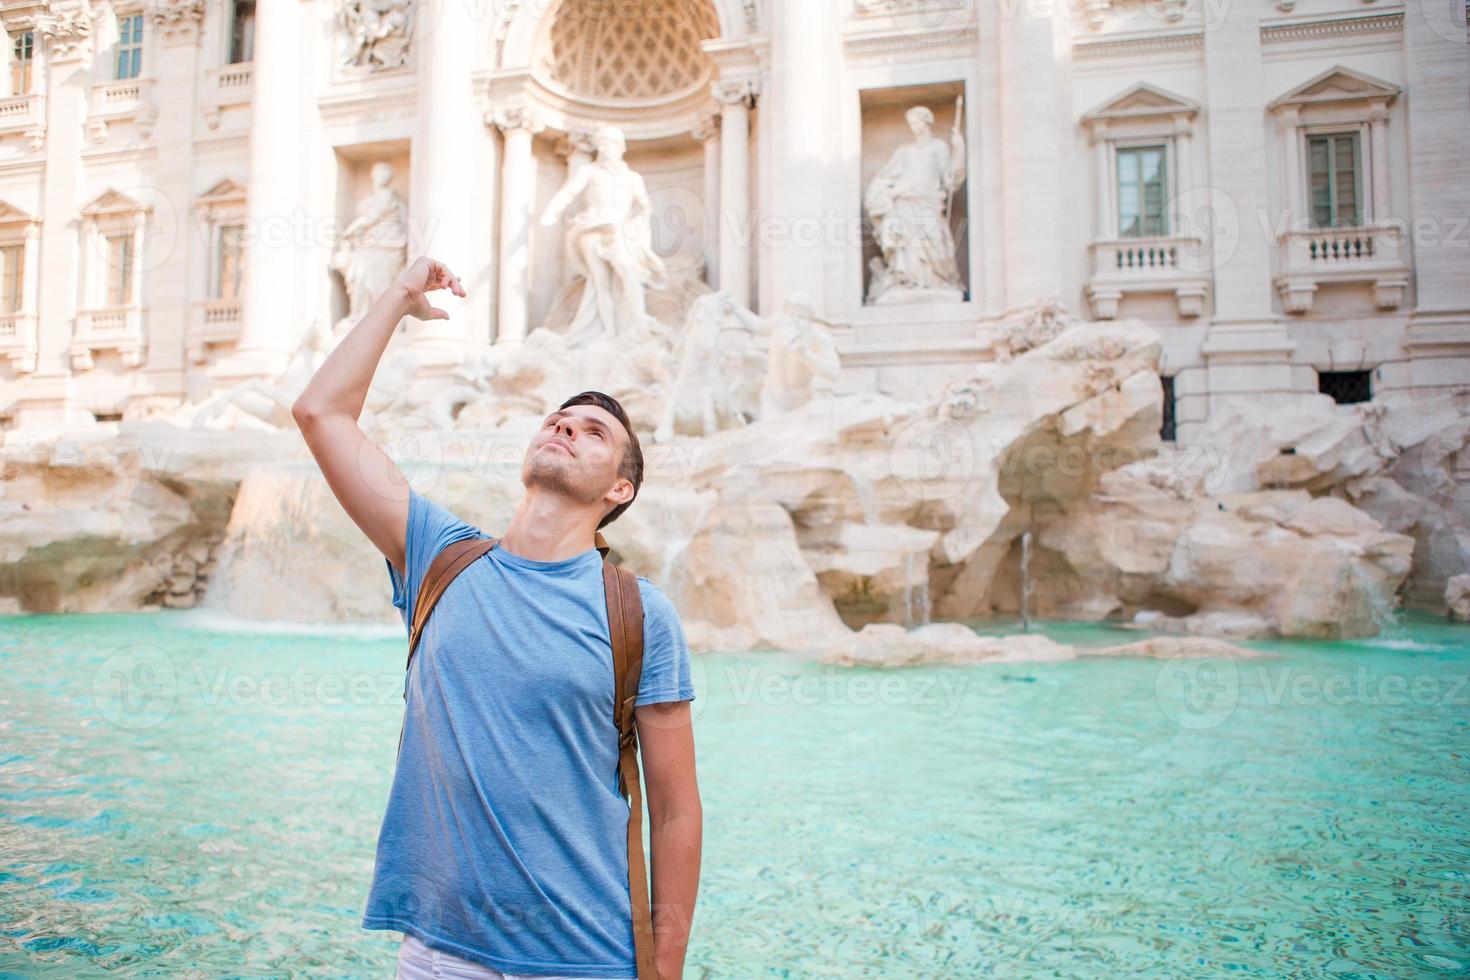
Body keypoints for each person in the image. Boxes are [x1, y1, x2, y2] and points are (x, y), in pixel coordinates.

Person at [291, 257, 703, 980]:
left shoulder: (640, 612)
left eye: (594, 432)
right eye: (559, 420)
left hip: (588, 955)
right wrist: (396, 300)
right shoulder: (438, 556)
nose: (566, 428)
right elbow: (320, 413)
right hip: (439, 955)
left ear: (620, 487)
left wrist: (664, 966)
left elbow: (675, 810)